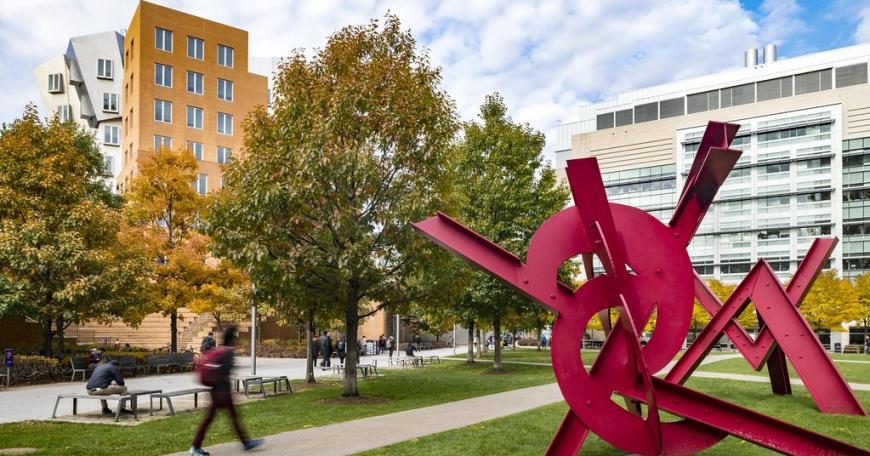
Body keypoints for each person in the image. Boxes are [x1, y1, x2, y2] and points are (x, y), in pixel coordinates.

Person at [190, 325, 263, 455]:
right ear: (232, 339)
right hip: (222, 391)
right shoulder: (228, 352)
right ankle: (195, 447)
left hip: (216, 390)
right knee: (218, 418)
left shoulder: (221, 351)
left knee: (225, 417)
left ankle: (246, 442)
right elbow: (226, 372)